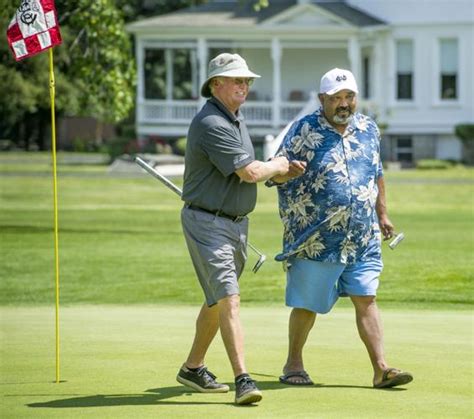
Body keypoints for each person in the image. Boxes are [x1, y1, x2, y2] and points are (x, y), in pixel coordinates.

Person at [268, 68, 414, 389]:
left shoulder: (368, 128)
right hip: (316, 238)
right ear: (322, 100)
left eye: (349, 96)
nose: (343, 104)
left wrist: (383, 214)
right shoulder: (304, 129)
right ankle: (293, 364)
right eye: (336, 98)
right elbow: (274, 171)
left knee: (367, 298)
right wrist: (286, 173)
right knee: (308, 304)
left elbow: (376, 173)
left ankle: (381, 369)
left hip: (362, 237)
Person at [176, 52, 305, 405]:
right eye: (236, 80)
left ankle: (192, 367)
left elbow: (248, 173)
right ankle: (243, 380)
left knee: (216, 301)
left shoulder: (234, 120)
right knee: (229, 298)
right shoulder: (212, 123)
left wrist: (278, 172)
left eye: (247, 80)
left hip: (234, 224)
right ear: (215, 84)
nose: (244, 86)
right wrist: (276, 164)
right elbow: (248, 172)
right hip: (208, 222)